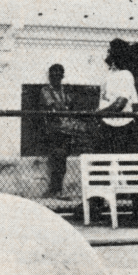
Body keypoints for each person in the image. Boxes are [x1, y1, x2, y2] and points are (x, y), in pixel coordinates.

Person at [97, 38, 138, 223]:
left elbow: (121, 103)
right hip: (107, 126)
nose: (107, 54)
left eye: (110, 51)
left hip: (123, 128)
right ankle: (97, 208)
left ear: (116, 55)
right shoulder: (109, 75)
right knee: (101, 168)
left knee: (129, 170)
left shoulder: (126, 75)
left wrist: (95, 114)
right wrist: (100, 116)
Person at [40, 64, 77, 197]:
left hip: (67, 130)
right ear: (49, 76)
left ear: (62, 76)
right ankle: (54, 189)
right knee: (56, 160)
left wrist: (63, 109)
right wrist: (64, 108)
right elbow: (53, 108)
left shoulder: (65, 91)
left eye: (58, 75)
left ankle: (58, 189)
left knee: (62, 161)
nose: (55, 78)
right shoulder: (45, 90)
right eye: (52, 75)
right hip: (53, 130)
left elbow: (69, 106)